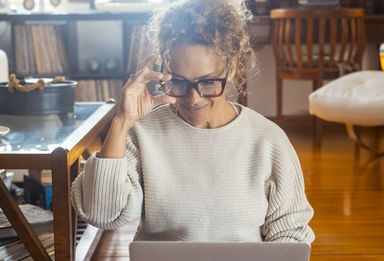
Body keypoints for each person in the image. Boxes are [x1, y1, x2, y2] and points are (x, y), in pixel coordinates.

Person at [71, 0, 315, 243]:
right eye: (178, 81)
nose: (192, 97)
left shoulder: (267, 139)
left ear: (230, 69)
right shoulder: (143, 133)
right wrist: (122, 121)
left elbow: (290, 232)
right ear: (165, 70)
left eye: (207, 82)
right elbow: (101, 215)